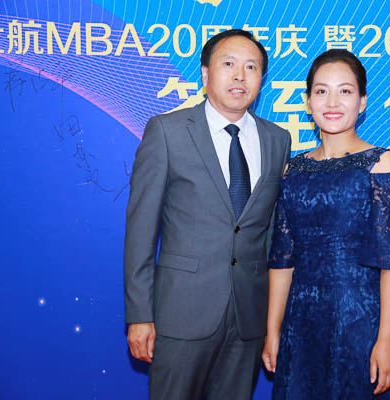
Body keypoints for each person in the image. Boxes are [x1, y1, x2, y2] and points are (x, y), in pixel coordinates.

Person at [124, 29, 291, 400]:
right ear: (205, 73)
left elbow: (268, 234)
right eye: (228, 64)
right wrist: (139, 314)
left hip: (248, 319)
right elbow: (140, 231)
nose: (240, 76)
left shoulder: (278, 140)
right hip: (181, 314)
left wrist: (272, 321)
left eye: (251, 67)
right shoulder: (167, 132)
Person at [262, 49, 390, 399]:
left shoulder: (382, 164)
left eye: (345, 91)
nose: (332, 102)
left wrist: (386, 339)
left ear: (362, 102)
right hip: (301, 325)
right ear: (307, 101)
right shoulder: (293, 169)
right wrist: (273, 329)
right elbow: (283, 259)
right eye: (321, 91)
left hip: (360, 322)